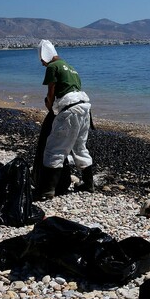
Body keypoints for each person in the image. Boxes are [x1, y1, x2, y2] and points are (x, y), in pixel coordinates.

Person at [34, 39, 94, 200]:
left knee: (54, 149)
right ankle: (89, 184)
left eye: (41, 59)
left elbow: (51, 93)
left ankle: (48, 191)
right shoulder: (72, 68)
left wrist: (50, 108)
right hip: (84, 108)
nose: (42, 64)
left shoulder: (53, 67)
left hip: (69, 110)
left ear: (44, 55)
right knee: (80, 147)